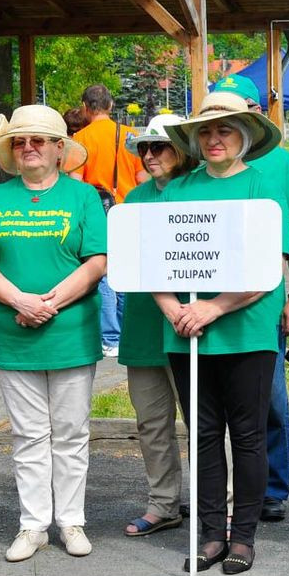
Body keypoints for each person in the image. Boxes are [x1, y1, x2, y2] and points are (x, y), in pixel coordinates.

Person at [154, 90, 289, 575]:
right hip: (185, 332)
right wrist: (173, 309)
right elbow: (154, 261)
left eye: (225, 130)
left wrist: (213, 307)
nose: (215, 139)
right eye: (206, 131)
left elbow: (268, 267)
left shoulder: (262, 188)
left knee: (248, 436)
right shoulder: (176, 191)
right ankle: (211, 534)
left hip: (246, 331)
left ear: (245, 135)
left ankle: (244, 536)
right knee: (203, 435)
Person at [0, 105, 105, 561]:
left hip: (70, 332)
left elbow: (97, 261)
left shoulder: (83, 197)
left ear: (59, 149)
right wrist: (19, 301)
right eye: (20, 141)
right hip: (15, 333)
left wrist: (49, 303)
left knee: (71, 433)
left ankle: (71, 521)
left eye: (39, 140)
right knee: (28, 436)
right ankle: (33, 525)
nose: (28, 147)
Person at [210, 73, 289, 522]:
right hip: (212, 303)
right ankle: (223, 491)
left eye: (241, 108)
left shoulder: (279, 162)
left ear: (255, 114)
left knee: (269, 398)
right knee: (214, 407)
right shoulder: (204, 165)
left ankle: (272, 487)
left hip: (262, 302)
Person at [119, 114, 194, 537]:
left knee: (203, 422)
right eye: (144, 147)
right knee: (151, 422)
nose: (149, 154)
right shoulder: (134, 200)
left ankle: (218, 506)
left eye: (158, 146)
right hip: (145, 326)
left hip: (195, 324)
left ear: (181, 148)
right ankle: (163, 503)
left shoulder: (202, 190)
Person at [72, 84, 143, 356]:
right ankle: (127, 332)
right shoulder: (130, 136)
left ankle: (110, 337)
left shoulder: (81, 139)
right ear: (111, 105)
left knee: (103, 273)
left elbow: (76, 183)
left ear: (85, 107)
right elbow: (142, 179)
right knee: (125, 274)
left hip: (97, 214)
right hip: (127, 211)